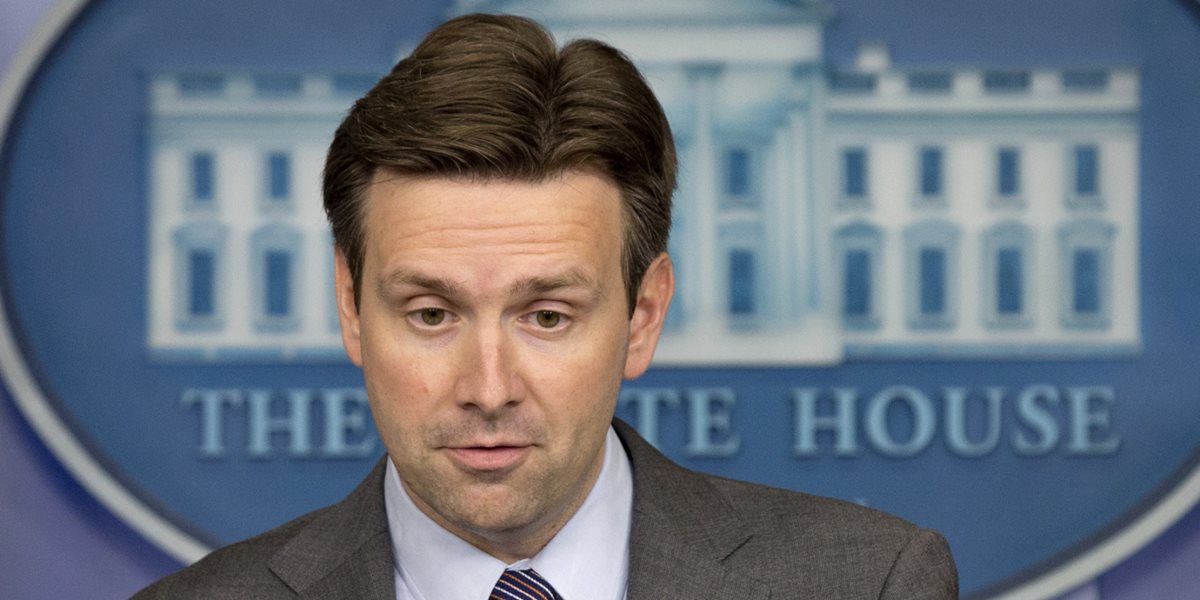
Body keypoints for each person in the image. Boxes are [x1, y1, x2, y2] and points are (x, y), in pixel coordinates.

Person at [135, 13, 957, 599]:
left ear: (643, 317)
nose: (488, 388)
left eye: (547, 317)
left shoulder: (870, 584)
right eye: (431, 314)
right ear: (350, 308)